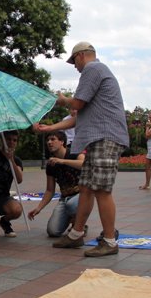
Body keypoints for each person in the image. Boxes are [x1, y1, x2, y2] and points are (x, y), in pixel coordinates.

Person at [34, 41, 129, 257]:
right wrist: (50, 128)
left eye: (74, 61)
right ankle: (76, 235)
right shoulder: (97, 72)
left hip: (106, 138)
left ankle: (110, 241)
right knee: (86, 187)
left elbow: (75, 104)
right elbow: (77, 118)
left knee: (102, 190)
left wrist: (60, 101)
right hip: (97, 139)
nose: (75, 66)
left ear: (81, 56)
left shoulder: (93, 68)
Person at [28, 131, 86, 244]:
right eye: (48, 140)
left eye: (53, 139)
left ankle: (79, 224)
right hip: (64, 199)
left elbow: (85, 164)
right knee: (53, 231)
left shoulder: (74, 153)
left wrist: (63, 161)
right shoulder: (51, 164)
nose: (49, 142)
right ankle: (74, 220)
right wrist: (39, 208)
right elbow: (50, 190)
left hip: (82, 195)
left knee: (71, 205)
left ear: (62, 142)